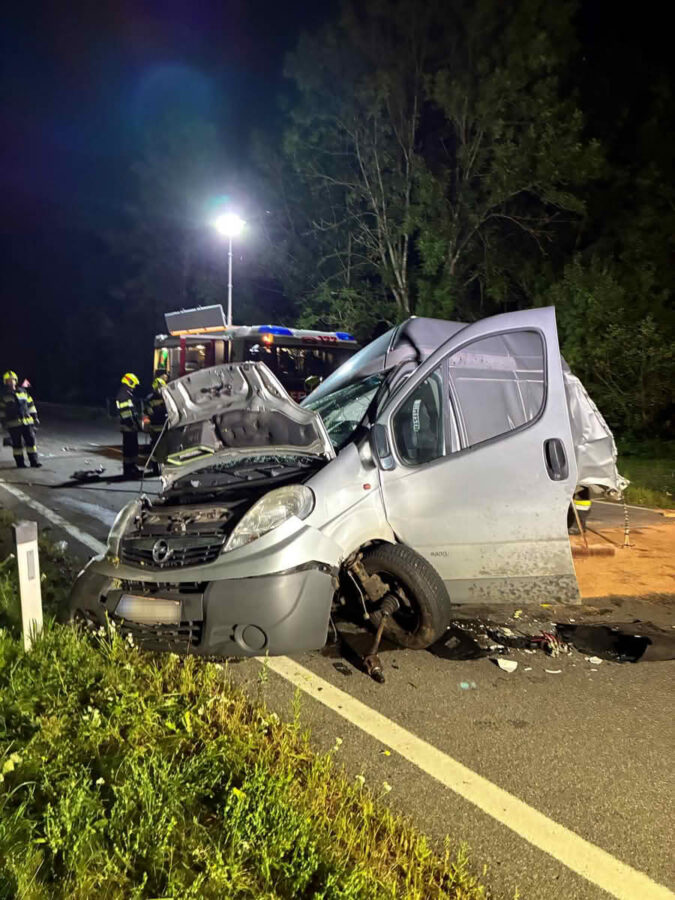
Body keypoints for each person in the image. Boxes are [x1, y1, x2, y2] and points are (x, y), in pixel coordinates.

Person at [0, 371, 42, 468]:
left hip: (27, 423)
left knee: (31, 443)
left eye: (13, 380)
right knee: (17, 445)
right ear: (5, 382)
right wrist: (3, 423)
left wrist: (35, 417)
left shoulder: (23, 392)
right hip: (13, 425)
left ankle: (34, 462)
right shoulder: (4, 396)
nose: (11, 382)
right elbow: (1, 411)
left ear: (16, 381)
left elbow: (31, 405)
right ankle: (20, 463)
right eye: (9, 381)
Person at [116, 373, 141, 478]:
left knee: (133, 448)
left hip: (130, 426)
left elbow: (131, 411)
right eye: (133, 384)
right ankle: (128, 470)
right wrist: (132, 424)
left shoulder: (126, 394)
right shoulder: (123, 395)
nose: (134, 387)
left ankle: (132, 467)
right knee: (129, 449)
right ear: (129, 382)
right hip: (128, 427)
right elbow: (125, 413)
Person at [143, 374, 167, 475]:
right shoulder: (159, 398)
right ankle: (156, 469)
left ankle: (158, 468)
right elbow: (148, 413)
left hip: (162, 425)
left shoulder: (158, 397)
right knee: (157, 448)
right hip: (157, 426)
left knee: (160, 447)